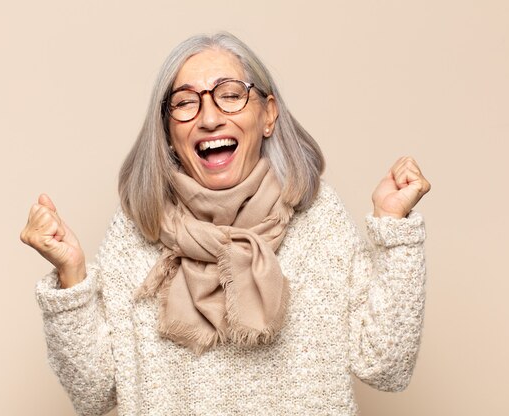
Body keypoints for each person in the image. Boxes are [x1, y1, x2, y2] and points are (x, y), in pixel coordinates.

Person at [21, 32, 431, 416]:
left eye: (231, 95)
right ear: (167, 129)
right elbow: (93, 395)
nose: (210, 118)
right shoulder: (136, 232)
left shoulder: (318, 218)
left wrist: (395, 231)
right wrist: (71, 275)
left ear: (268, 115)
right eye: (185, 102)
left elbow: (386, 367)